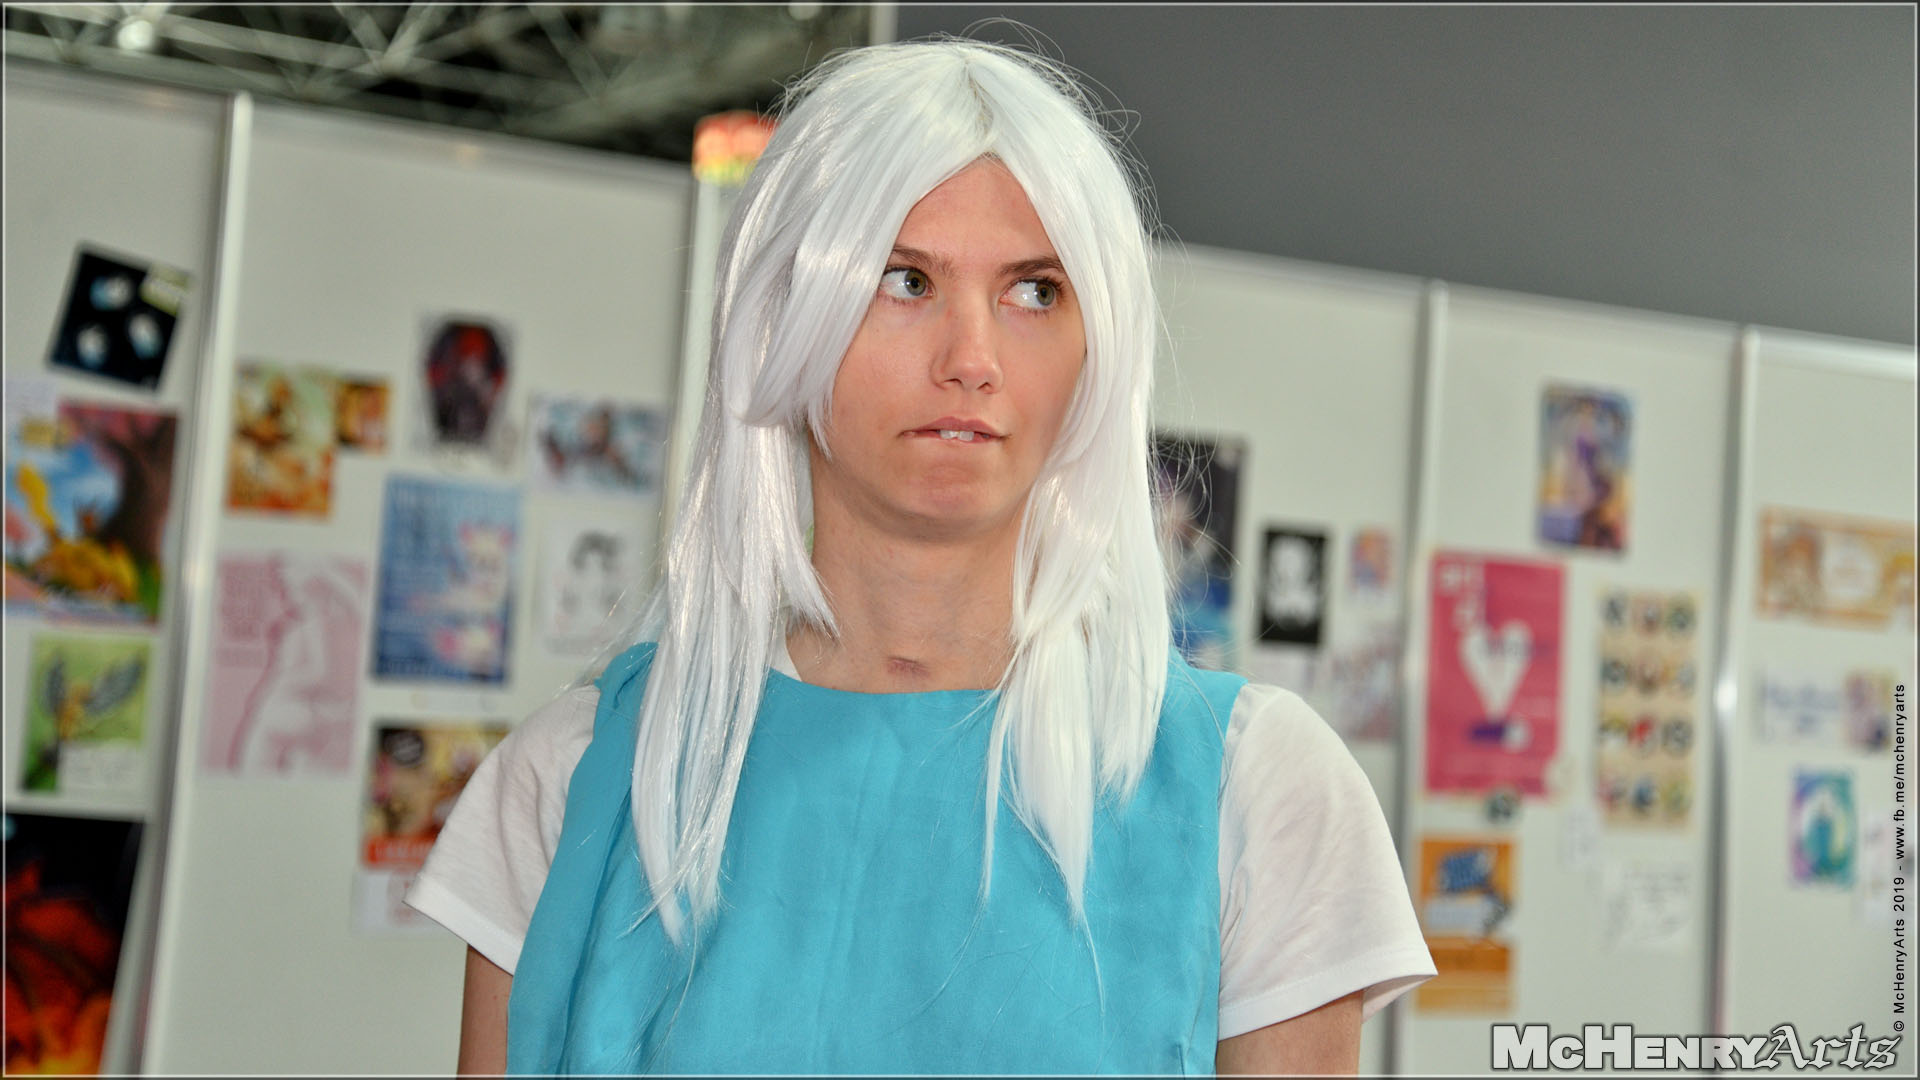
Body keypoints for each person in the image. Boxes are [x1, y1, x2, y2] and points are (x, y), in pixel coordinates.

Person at [405, 37, 1434, 1075]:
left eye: (1035, 292)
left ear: (1097, 350)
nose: (972, 360)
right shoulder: (577, 777)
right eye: (906, 281)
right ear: (781, 323)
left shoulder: (1255, 791)